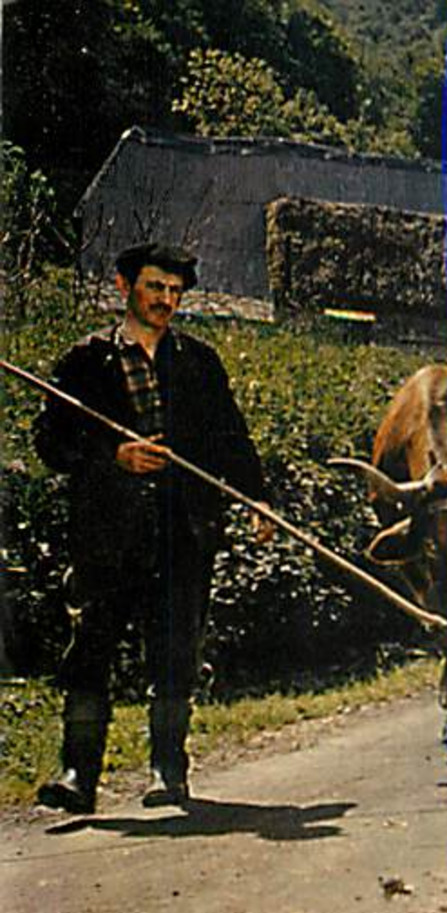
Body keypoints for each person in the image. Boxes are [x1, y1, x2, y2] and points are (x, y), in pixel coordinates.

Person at [33, 242, 272, 814]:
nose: (166, 300)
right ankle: (77, 775)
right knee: (90, 651)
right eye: (154, 288)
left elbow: (230, 440)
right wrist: (113, 454)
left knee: (173, 655)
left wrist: (258, 499)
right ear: (124, 287)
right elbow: (51, 443)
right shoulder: (84, 363)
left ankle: (170, 771)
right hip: (107, 533)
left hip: (181, 532)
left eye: (174, 291)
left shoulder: (198, 363)